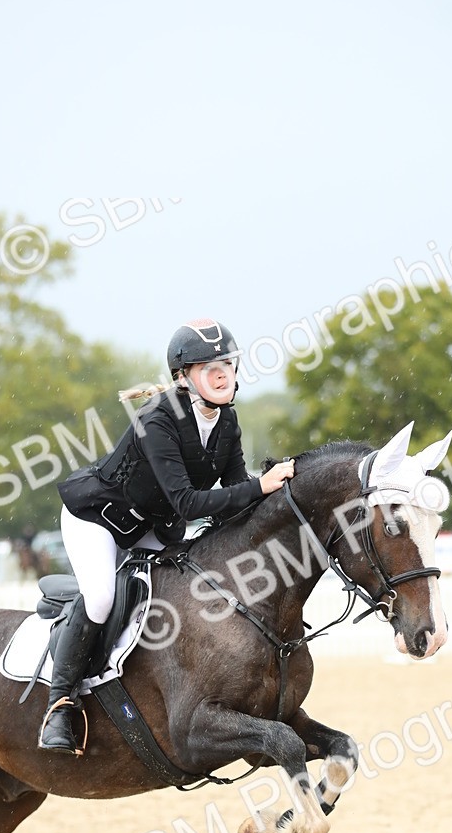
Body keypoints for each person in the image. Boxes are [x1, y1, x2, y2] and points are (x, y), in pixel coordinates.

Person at [38, 318, 294, 754]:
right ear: (182, 377)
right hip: (97, 519)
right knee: (101, 597)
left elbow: (237, 495)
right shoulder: (157, 419)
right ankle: (60, 703)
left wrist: (287, 494)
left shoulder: (226, 422)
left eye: (227, 364)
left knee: (186, 592)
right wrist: (260, 485)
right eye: (207, 366)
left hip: (152, 527)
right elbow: (189, 503)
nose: (222, 373)